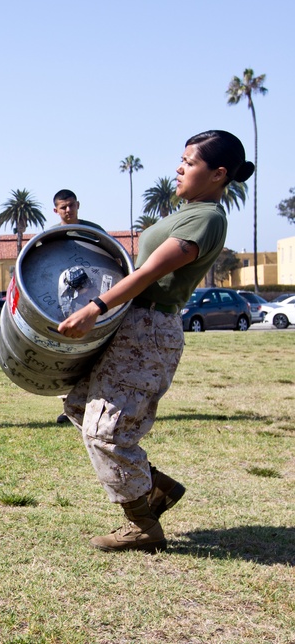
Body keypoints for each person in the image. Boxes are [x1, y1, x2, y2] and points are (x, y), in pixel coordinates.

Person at [57, 130, 254, 553]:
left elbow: (149, 273)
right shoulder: (184, 212)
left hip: (150, 329)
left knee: (106, 431)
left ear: (218, 174)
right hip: (131, 324)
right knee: (78, 405)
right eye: (180, 159)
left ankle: (143, 524)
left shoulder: (208, 217)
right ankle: (155, 486)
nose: (179, 168)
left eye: (190, 162)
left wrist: (95, 307)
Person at [52, 190, 104, 425]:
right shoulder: (53, 236)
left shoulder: (92, 232)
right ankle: (68, 405)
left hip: (92, 299)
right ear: (56, 210)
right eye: (63, 207)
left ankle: (93, 403)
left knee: (92, 353)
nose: (68, 210)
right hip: (66, 302)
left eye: (71, 205)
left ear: (78, 205)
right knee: (68, 354)